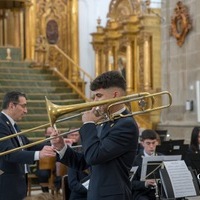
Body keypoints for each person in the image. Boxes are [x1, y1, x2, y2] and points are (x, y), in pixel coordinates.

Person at [51, 70, 139, 200]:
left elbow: (94, 156)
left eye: (99, 96)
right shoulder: (105, 121)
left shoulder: (126, 124)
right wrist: (61, 147)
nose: (94, 101)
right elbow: (85, 162)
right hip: (96, 193)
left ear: (115, 95)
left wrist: (88, 124)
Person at [0, 91, 56, 200]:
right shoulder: (1, 124)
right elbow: (9, 153)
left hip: (17, 180)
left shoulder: (11, 124)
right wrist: (39, 154)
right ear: (12, 105)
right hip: (7, 183)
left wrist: (53, 142)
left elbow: (27, 145)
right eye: (23, 106)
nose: (26, 111)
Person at [131, 129, 162, 200]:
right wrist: (145, 183)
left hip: (159, 192)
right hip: (142, 194)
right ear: (142, 143)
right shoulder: (135, 160)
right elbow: (131, 183)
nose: (151, 146)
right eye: (148, 143)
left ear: (157, 142)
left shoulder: (162, 157)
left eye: (153, 143)